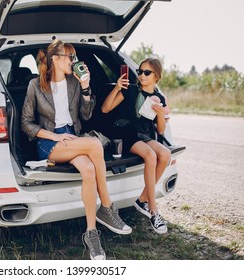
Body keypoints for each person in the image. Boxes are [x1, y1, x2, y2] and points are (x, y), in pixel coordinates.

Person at [21, 40, 131, 260]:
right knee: (94, 144)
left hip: (72, 137)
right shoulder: (35, 85)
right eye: (70, 57)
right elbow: (26, 123)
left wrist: (85, 88)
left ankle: (91, 234)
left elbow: (87, 115)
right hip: (48, 142)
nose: (74, 61)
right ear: (56, 59)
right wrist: (55, 135)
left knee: (89, 169)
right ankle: (107, 207)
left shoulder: (73, 83)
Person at [101, 58, 171, 234]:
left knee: (165, 154)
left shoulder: (160, 98)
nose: (141, 75)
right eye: (140, 71)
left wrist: (161, 114)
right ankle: (154, 210)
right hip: (124, 132)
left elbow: (161, 130)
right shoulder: (130, 90)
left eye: (147, 72)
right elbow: (105, 109)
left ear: (157, 76)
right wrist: (117, 87)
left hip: (143, 134)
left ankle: (142, 200)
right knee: (150, 155)